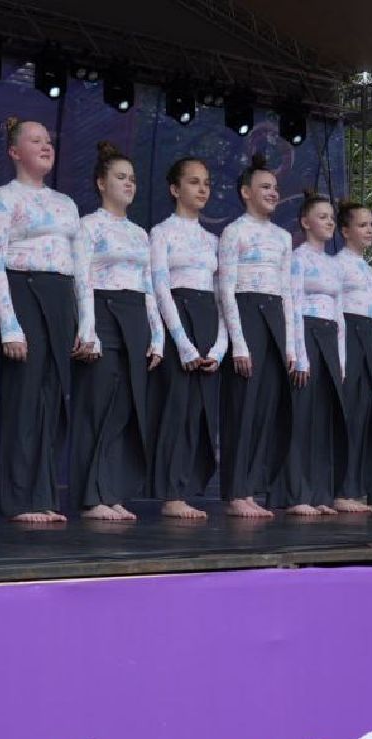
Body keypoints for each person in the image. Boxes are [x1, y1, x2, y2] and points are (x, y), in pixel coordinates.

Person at [0, 118, 81, 524]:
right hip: (22, 292)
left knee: (52, 400)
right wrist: (7, 323)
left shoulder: (66, 203)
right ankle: (19, 499)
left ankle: (44, 495)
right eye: (34, 140)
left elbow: (79, 267)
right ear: (14, 152)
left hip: (60, 298)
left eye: (48, 140)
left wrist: (84, 323)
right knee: (23, 399)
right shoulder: (3, 198)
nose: (45, 145)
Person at [72, 142, 163, 522]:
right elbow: (82, 278)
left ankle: (113, 491)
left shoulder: (140, 234)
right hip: (102, 314)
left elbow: (149, 287)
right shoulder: (87, 226)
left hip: (135, 317)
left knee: (125, 409)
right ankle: (91, 496)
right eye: (120, 177)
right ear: (100, 183)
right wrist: (87, 328)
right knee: (97, 406)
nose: (129, 184)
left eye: (132, 179)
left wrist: (157, 335)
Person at [217, 154, 299, 519]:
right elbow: (226, 289)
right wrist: (238, 342)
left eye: (275, 188)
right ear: (246, 192)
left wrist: (292, 345)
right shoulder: (234, 231)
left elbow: (288, 293)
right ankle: (235, 491)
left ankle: (252, 488)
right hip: (246, 316)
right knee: (242, 409)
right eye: (265, 187)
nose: (273, 192)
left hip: (275, 320)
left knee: (266, 409)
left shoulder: (283, 238)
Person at [147, 157, 225, 521]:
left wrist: (221, 347)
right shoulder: (162, 232)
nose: (202, 189)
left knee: (201, 413)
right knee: (176, 408)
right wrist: (182, 343)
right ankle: (170, 493)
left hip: (209, 320)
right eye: (194, 182)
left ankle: (189, 486)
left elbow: (224, 295)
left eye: (206, 182)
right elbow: (160, 286)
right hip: (178, 319)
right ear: (175, 189)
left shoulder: (214, 239)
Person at [284, 193, 352, 515]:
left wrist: (340, 357)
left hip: (328, 337)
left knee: (325, 418)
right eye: (322, 216)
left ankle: (321, 494)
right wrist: (300, 354)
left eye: (331, 217)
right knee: (302, 417)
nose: (329, 222)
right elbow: (293, 305)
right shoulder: (297, 258)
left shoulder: (334, 264)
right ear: (305, 221)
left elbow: (340, 315)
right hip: (306, 336)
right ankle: (298, 493)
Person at [334, 202, 372, 512]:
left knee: (364, 418)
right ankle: (341, 488)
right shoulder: (338, 264)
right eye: (362, 225)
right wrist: (343, 357)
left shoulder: (368, 270)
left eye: (371, 224)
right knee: (346, 417)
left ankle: (356, 488)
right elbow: (336, 312)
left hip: (368, 338)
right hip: (348, 339)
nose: (369, 229)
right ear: (345, 231)